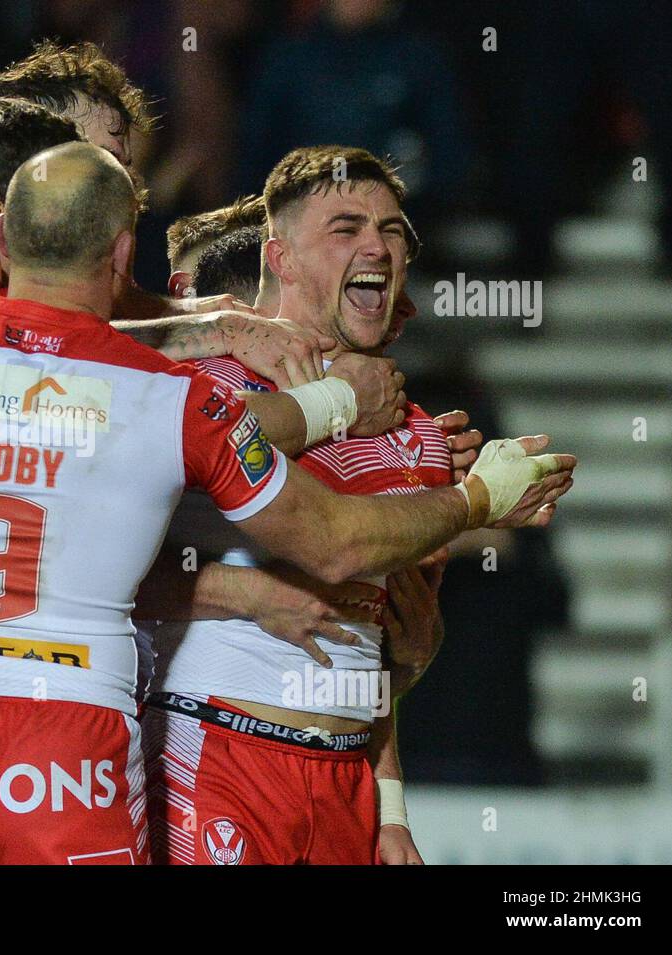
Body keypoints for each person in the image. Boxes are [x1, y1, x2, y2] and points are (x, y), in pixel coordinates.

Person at [0, 141, 573, 864]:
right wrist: (470, 498)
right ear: (121, 251)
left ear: (3, 235)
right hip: (71, 741)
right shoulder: (165, 398)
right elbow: (334, 542)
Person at [146, 145, 492, 865]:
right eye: (345, 228)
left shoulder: (416, 433)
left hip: (341, 784)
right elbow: (92, 574)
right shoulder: (206, 385)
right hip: (213, 757)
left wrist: (390, 806)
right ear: (283, 259)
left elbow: (378, 650)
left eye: (393, 231)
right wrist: (241, 592)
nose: (378, 244)